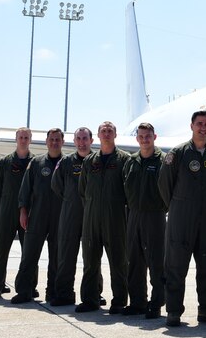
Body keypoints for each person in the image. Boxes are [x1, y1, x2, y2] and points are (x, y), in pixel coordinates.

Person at [158, 111, 206, 327]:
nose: (203, 128)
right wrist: (179, 205)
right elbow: (164, 184)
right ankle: (174, 311)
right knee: (176, 266)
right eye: (199, 124)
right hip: (181, 217)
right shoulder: (178, 153)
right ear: (191, 126)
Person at [75, 121, 132, 314]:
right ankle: (90, 300)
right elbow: (83, 189)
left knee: (118, 261)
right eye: (103, 131)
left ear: (115, 135)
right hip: (92, 218)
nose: (106, 134)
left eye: (110, 131)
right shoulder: (90, 161)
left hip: (115, 218)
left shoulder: (125, 159)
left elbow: (129, 191)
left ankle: (119, 301)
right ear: (98, 136)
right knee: (90, 261)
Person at [49, 127, 102, 307]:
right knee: (66, 254)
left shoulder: (98, 160)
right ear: (74, 140)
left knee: (92, 256)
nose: (81, 142)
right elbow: (56, 185)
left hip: (92, 214)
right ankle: (64, 293)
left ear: (91, 140)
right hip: (70, 213)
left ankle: (94, 293)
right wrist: (72, 199)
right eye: (78, 138)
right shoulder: (65, 162)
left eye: (85, 138)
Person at [11, 128, 64, 304]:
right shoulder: (36, 163)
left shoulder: (67, 163)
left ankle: (53, 292)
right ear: (46, 142)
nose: (54, 142)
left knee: (57, 256)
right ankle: (24, 291)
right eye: (51, 139)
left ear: (62, 142)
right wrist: (23, 211)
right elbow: (25, 189)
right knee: (29, 255)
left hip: (59, 216)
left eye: (57, 139)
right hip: (37, 215)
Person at [122, 122, 168, 319]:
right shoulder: (131, 162)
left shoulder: (163, 161)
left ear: (154, 137)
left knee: (156, 261)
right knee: (134, 260)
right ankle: (137, 302)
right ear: (137, 139)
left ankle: (156, 303)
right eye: (141, 136)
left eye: (148, 136)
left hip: (155, 215)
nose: (145, 139)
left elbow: (169, 187)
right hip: (134, 214)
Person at [0, 127, 33, 300]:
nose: (23, 140)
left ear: (30, 139)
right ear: (16, 139)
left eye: (26, 137)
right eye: (20, 137)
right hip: (6, 211)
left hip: (28, 212)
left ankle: (29, 286)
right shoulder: (5, 162)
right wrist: (4, 202)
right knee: (0, 250)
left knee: (29, 252)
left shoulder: (35, 163)